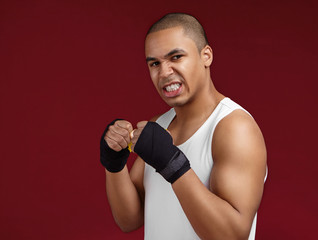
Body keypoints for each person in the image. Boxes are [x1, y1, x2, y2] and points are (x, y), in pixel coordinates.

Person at [100, 13, 267, 240]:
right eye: (155, 63)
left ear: (205, 56)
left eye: (176, 57)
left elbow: (232, 235)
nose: (164, 72)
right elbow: (129, 220)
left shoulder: (234, 127)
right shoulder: (159, 125)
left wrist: (173, 165)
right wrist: (114, 163)